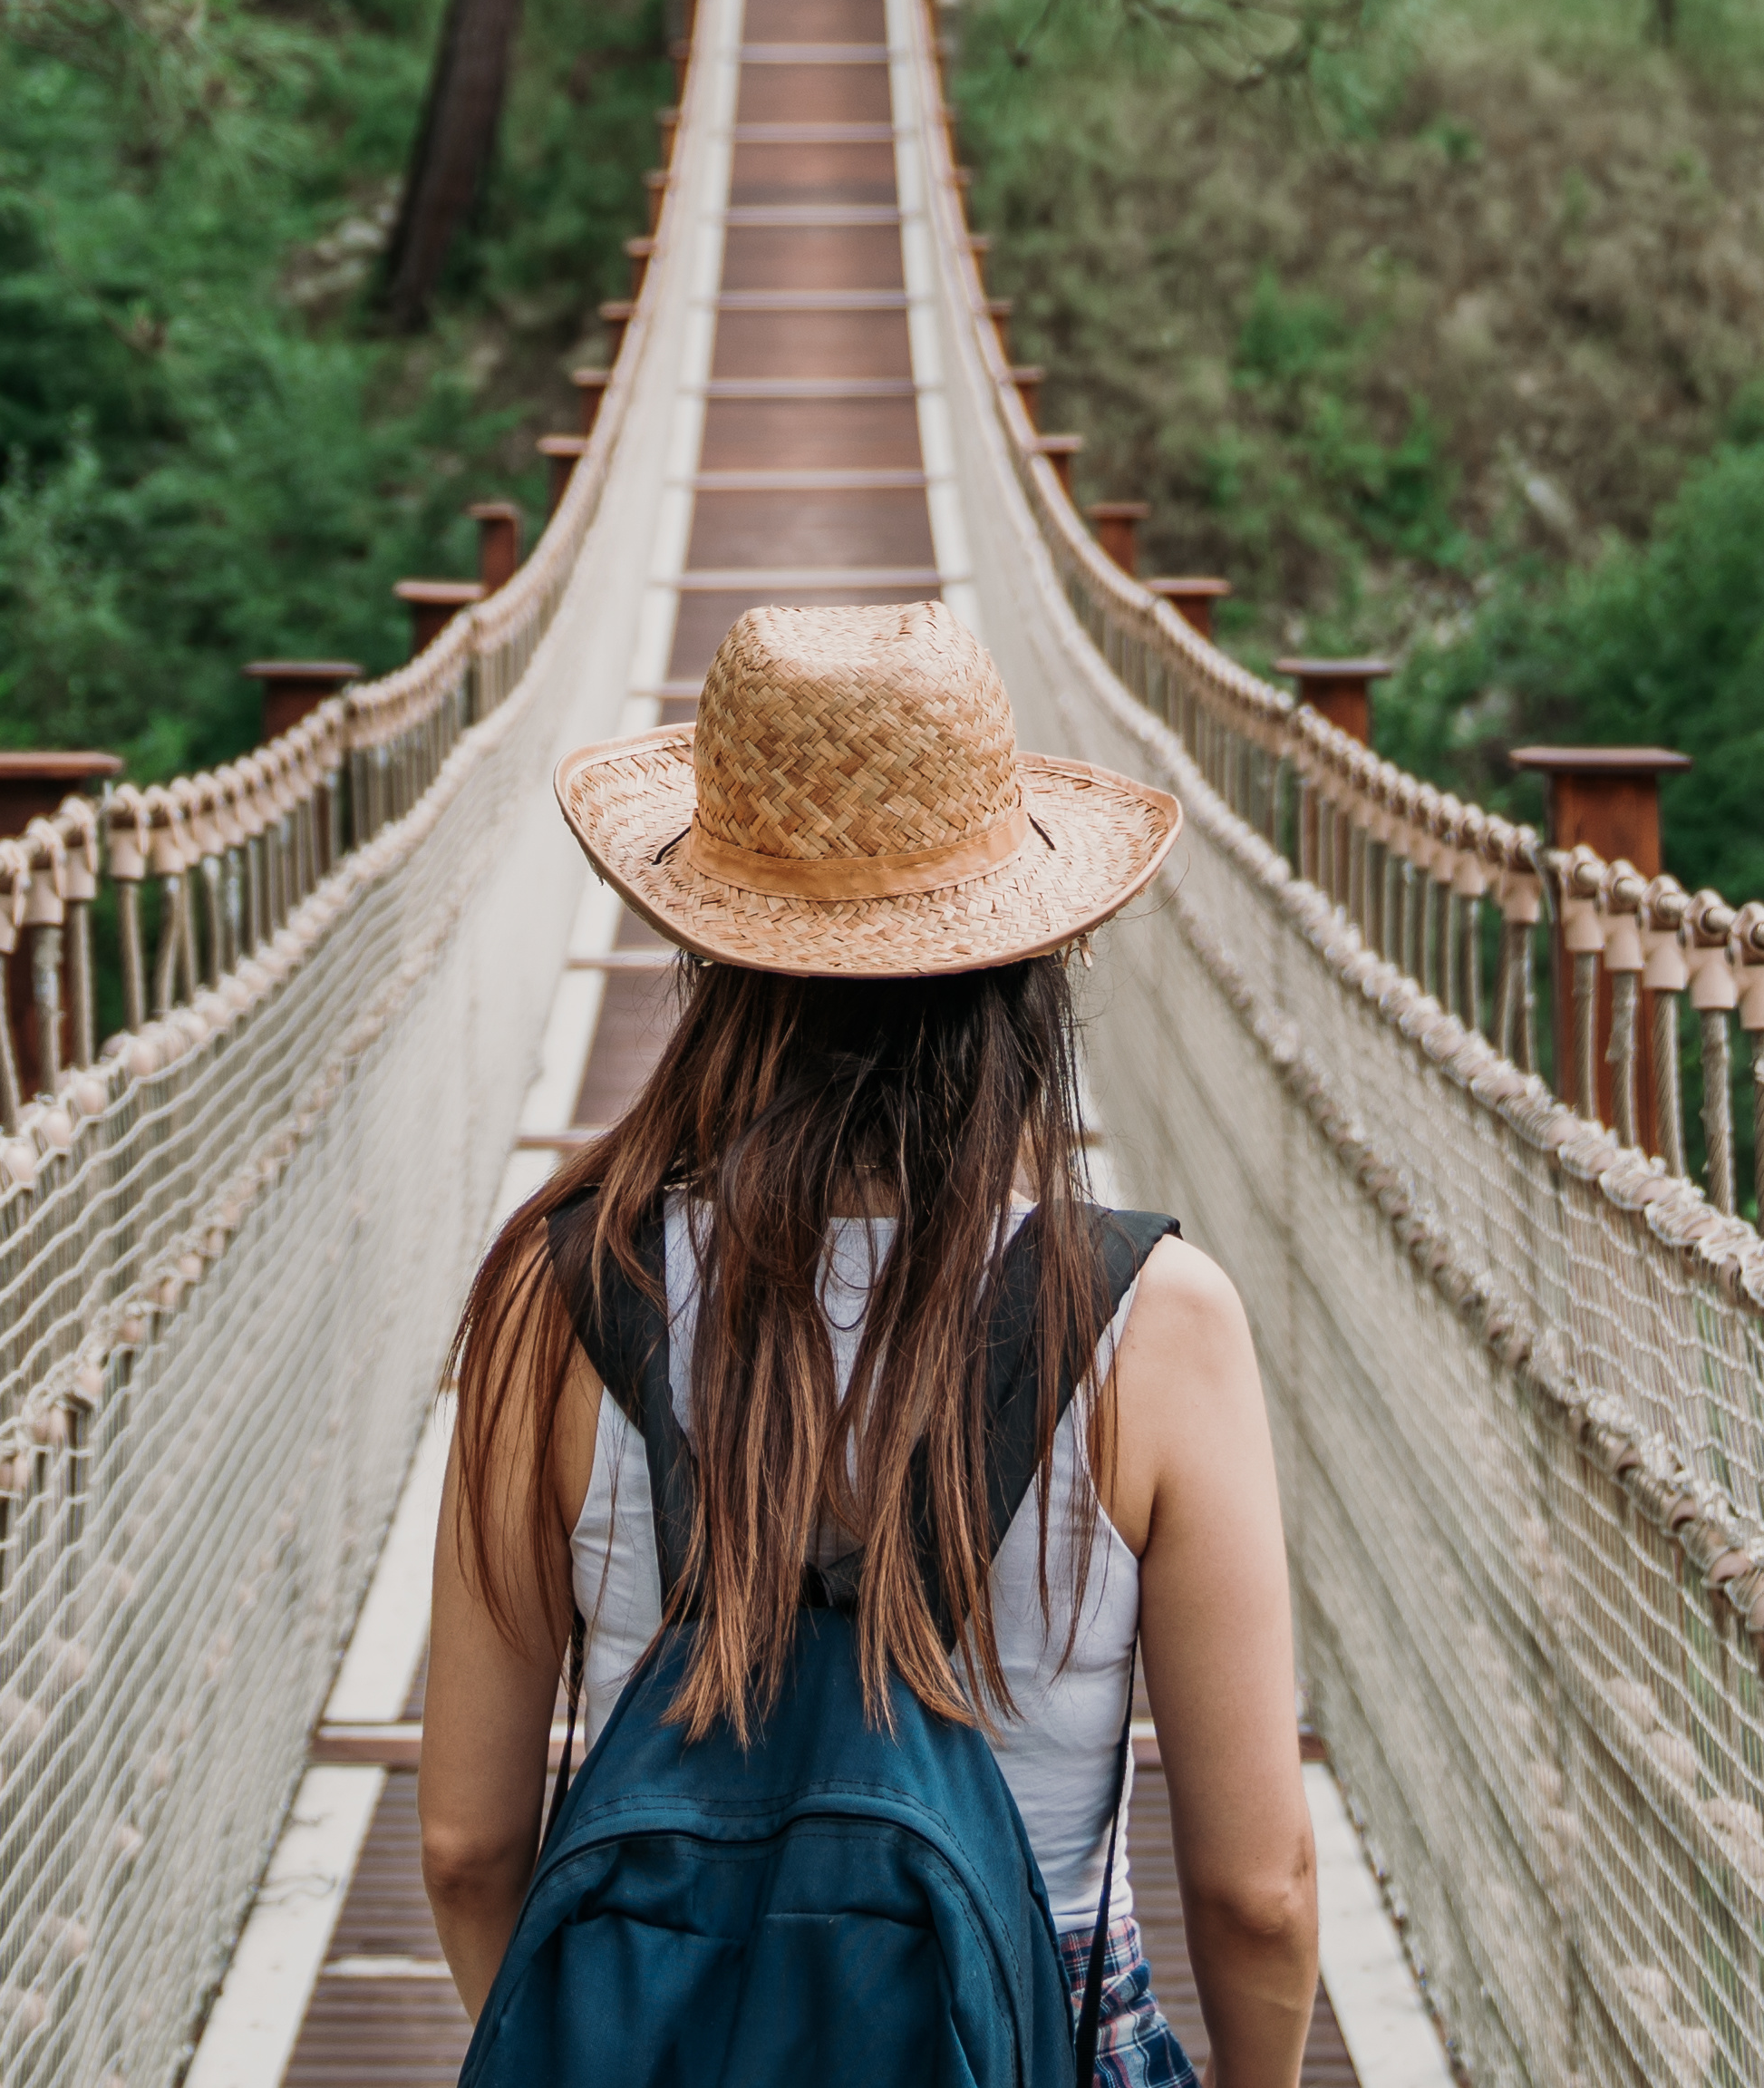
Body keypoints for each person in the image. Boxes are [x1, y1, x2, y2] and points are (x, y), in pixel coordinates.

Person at [419, 600, 1318, 2085]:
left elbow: (463, 1844)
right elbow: (1258, 1889)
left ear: (707, 953)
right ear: (1030, 959)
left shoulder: (550, 1296)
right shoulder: (1157, 1323)